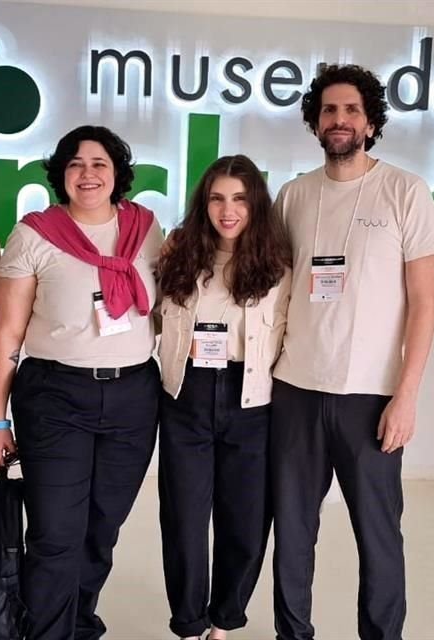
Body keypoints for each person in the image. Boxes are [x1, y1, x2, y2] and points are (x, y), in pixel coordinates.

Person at [270, 64, 434, 640]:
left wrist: (407, 396)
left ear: (371, 122)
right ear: (314, 122)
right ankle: (292, 633)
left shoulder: (405, 191)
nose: (339, 120)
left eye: (351, 110)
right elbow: (271, 287)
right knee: (293, 532)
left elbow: (424, 304)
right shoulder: (294, 195)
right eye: (328, 110)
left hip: (371, 398)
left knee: (378, 534)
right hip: (295, 389)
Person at [0, 125, 164, 640]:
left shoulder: (146, 229)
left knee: (101, 528)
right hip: (55, 396)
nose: (87, 174)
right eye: (75, 164)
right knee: (56, 531)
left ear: (117, 174)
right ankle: (48, 631)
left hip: (133, 397)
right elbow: (8, 336)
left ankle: (78, 621)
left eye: (99, 164)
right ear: (60, 174)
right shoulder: (35, 233)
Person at [157, 155, 291, 640]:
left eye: (239, 199)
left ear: (255, 203)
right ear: (203, 204)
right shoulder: (178, 256)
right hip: (186, 396)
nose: (227, 210)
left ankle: (224, 622)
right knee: (185, 521)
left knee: (246, 522)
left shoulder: (279, 265)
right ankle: (189, 625)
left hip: (251, 400)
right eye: (217, 198)